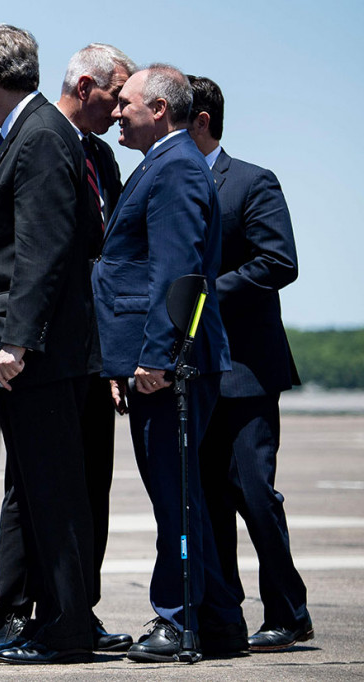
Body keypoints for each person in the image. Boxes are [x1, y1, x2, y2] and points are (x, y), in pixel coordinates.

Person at [92, 65, 244, 662]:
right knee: (183, 495)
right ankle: (222, 622)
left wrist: (157, 355)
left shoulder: (177, 168)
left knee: (175, 498)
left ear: (159, 108)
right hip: (167, 360)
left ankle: (176, 620)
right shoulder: (165, 163)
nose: (116, 114)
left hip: (170, 365)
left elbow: (177, 272)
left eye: (126, 104)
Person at [0, 24, 98, 665]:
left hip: (36, 358)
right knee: (40, 489)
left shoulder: (38, 136)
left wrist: (15, 341)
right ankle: (52, 620)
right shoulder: (28, 131)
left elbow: (41, 249)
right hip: (30, 355)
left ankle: (67, 627)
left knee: (54, 492)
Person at [187, 75, 312, 652]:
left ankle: (289, 611)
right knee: (209, 496)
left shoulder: (253, 182)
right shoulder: (171, 183)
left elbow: (277, 261)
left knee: (254, 492)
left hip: (247, 367)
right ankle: (225, 614)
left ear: (203, 120)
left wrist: (208, 291)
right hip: (196, 371)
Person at [53, 42, 136, 653]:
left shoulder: (102, 158)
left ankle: (83, 605)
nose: (119, 109)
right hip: (52, 348)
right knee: (44, 488)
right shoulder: (43, 143)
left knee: (95, 485)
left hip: (96, 349)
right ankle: (29, 607)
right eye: (115, 95)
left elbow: (109, 257)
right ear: (86, 87)